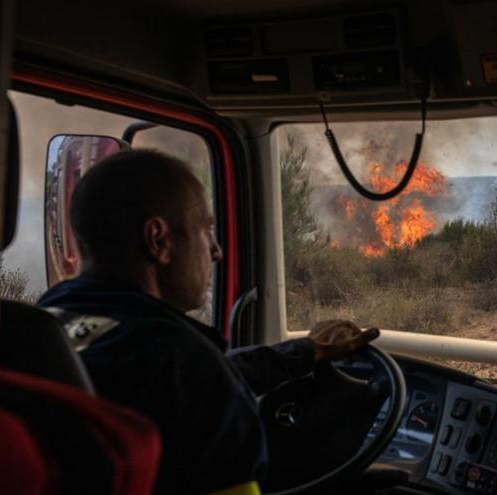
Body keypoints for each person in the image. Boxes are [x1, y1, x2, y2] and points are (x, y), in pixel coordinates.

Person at [37, 149, 377, 494]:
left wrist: (304, 351)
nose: (216, 251)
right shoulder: (190, 372)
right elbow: (192, 378)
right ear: (159, 240)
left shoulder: (41, 326)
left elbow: (176, 378)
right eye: (206, 230)